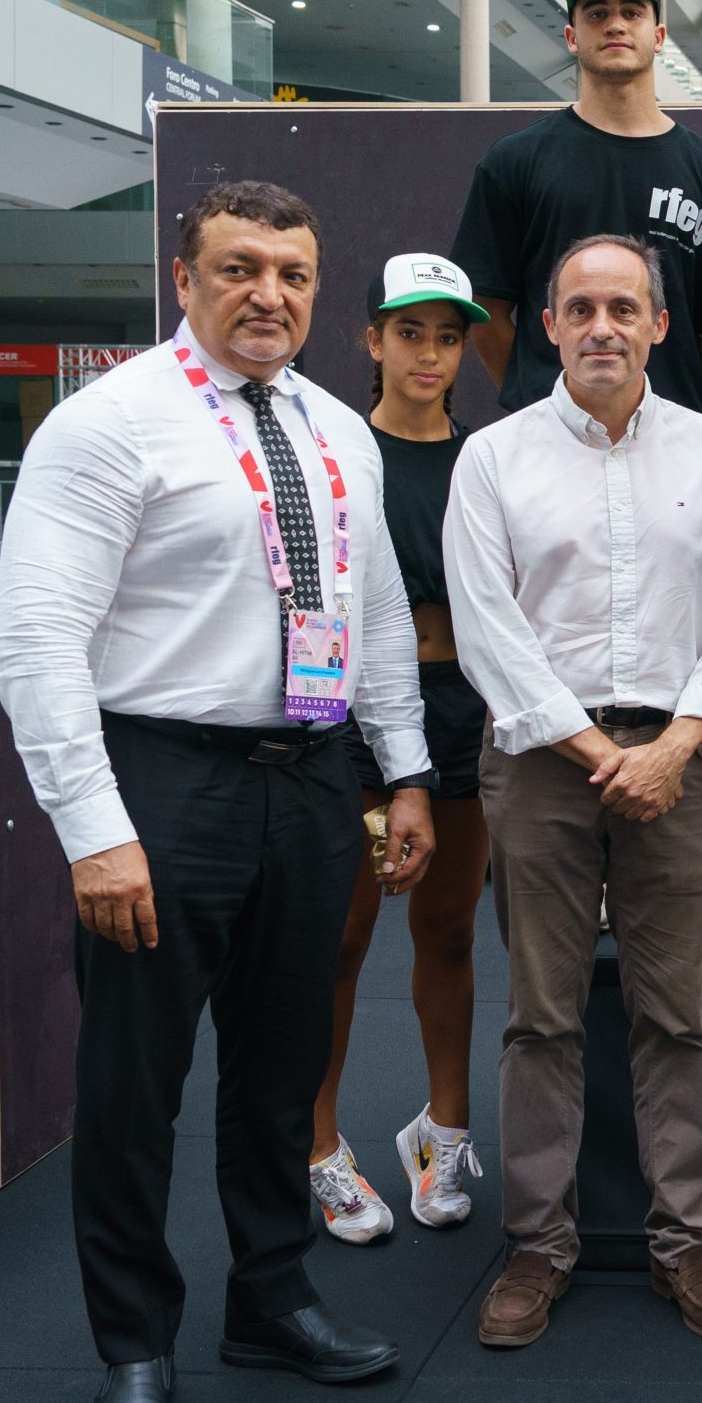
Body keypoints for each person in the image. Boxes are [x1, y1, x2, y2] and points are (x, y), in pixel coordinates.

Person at [0, 181, 437, 1403]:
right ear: (183, 278)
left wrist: (402, 770)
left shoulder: (339, 430)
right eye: (240, 268)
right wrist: (93, 827)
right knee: (132, 1080)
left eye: (293, 275)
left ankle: (272, 1297)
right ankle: (134, 1344)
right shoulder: (106, 426)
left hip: (308, 779)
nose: (270, 295)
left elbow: (371, 613)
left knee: (282, 1061)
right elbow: (35, 640)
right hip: (159, 781)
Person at [447, 233, 702, 1348]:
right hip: (542, 764)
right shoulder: (492, 457)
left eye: (623, 308)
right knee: (541, 1016)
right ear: (546, 323)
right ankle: (537, 1245)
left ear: (659, 325)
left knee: (675, 1018)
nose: (601, 327)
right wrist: (597, 753)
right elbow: (490, 632)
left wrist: (674, 749)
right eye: (579, 307)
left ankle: (691, 1244)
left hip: (678, 761)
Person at [304, 254, 496, 1246]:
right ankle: (321, 1147)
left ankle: (443, 1131)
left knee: (451, 933)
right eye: (410, 332)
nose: (430, 354)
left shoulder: (488, 458)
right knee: (336, 942)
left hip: (464, 709)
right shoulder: (334, 453)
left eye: (448, 335)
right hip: (347, 712)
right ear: (372, 340)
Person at [450, 0, 702, 415]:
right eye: (596, 12)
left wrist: (667, 409)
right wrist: (544, 403)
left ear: (659, 35)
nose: (614, 24)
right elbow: (484, 309)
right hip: (548, 441)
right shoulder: (515, 161)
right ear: (571, 36)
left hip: (672, 442)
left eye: (632, 10)